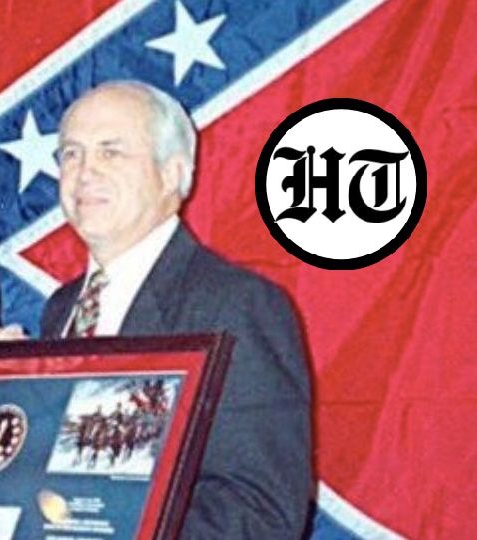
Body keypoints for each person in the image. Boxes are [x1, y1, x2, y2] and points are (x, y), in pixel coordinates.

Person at [38, 80, 313, 537]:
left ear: (172, 173)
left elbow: (261, 512)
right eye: (71, 153)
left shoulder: (236, 306)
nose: (84, 172)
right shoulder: (61, 309)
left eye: (111, 152)